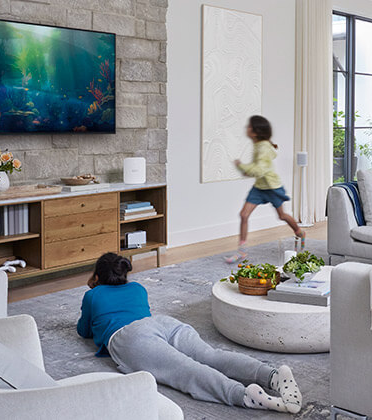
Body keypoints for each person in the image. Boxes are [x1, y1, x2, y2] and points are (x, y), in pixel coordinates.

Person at [77, 253, 303, 413]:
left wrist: (92, 288)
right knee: (210, 355)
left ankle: (242, 395)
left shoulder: (93, 295)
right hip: (161, 323)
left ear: (97, 277)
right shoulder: (138, 288)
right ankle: (272, 375)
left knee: (185, 369)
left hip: (129, 337)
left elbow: (83, 330)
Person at [228, 115, 305, 263]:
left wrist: (242, 166)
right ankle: (242, 251)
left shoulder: (263, 147)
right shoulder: (258, 145)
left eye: (249, 127)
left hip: (272, 187)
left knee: (282, 216)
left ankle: (299, 232)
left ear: (255, 131)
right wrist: (248, 169)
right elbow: (257, 169)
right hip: (259, 187)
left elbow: (260, 169)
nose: (246, 129)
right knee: (244, 215)